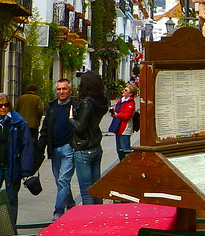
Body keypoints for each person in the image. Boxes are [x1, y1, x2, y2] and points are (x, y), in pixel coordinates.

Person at [0, 94, 37, 236]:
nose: (3, 108)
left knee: (11, 199)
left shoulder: (18, 122)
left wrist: (25, 169)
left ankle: (8, 234)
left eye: (6, 105)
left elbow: (26, 146)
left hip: (12, 166)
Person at [37, 78, 77, 219]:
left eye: (64, 89)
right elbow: (46, 128)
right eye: (59, 89)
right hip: (54, 149)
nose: (61, 92)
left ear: (70, 90)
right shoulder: (52, 106)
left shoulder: (75, 106)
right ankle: (71, 205)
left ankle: (58, 212)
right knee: (60, 181)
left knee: (63, 181)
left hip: (68, 149)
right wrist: (40, 148)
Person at [71, 71, 109, 206]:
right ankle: (99, 217)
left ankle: (90, 221)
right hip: (96, 146)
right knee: (96, 188)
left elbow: (80, 126)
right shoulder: (100, 102)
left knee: (86, 191)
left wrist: (70, 118)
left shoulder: (87, 102)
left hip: (83, 147)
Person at [109, 83, 138, 161]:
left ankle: (127, 165)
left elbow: (127, 116)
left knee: (125, 149)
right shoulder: (121, 101)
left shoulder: (130, 103)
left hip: (124, 129)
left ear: (130, 93)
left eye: (125, 90)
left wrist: (117, 115)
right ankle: (121, 163)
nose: (123, 91)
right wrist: (114, 113)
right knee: (119, 150)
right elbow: (119, 111)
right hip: (118, 128)